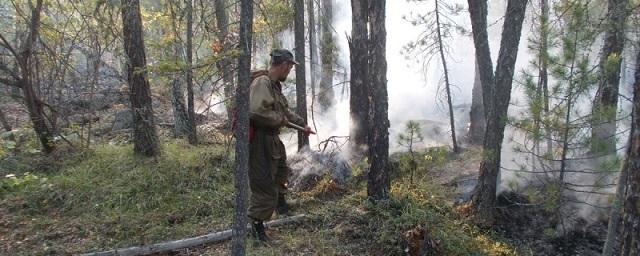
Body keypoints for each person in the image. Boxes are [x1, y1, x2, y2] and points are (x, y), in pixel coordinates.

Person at [248, 49, 313, 242]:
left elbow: (284, 112)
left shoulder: (274, 86)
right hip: (260, 141)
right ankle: (257, 230)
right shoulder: (262, 82)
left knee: (281, 172)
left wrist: (302, 124)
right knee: (264, 182)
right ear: (284, 65)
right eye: (290, 67)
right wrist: (279, 120)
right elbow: (256, 112)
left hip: (272, 139)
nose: (290, 71)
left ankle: (281, 205)